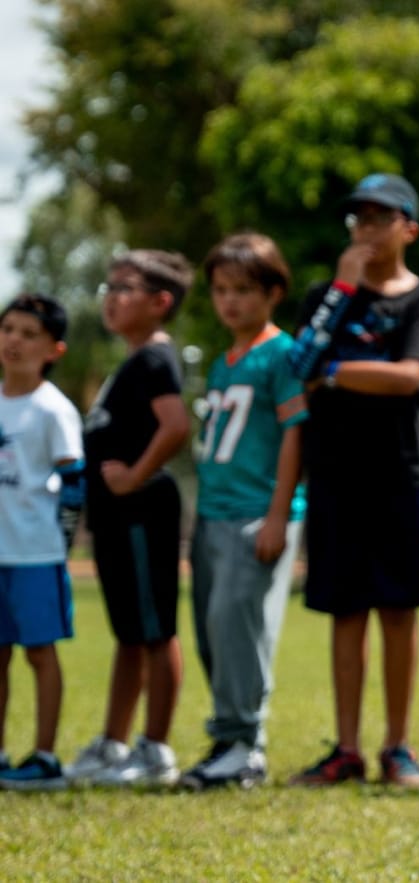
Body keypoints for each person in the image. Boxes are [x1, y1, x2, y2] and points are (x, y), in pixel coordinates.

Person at [287, 173, 419, 788]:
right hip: (334, 476)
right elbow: (297, 368)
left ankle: (398, 747)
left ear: (409, 228)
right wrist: (342, 291)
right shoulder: (326, 297)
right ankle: (347, 749)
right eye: (358, 219)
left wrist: (332, 372)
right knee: (345, 611)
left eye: (381, 218)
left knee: (400, 611)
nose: (366, 230)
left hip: (404, 475)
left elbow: (410, 376)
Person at [179, 234, 309, 790]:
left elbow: (294, 432)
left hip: (257, 511)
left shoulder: (283, 355)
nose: (230, 301)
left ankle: (244, 744)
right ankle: (226, 737)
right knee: (212, 628)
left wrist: (279, 514)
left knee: (239, 622)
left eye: (244, 290)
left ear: (273, 292)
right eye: (221, 290)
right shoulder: (222, 362)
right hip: (213, 510)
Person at [71, 250, 194, 788]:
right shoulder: (132, 359)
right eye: (109, 288)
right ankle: (114, 742)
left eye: (124, 288)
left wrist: (136, 474)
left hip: (143, 511)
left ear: (159, 302)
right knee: (128, 633)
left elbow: (175, 425)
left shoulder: (155, 358)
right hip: (117, 516)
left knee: (154, 630)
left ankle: (156, 749)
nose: (111, 299)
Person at [0, 294, 86, 790]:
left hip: (35, 555)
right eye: (8, 329)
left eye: (28, 334)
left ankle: (46, 756)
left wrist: (63, 544)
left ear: (54, 349)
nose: (14, 340)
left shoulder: (53, 411)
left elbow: (73, 483)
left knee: (39, 652)